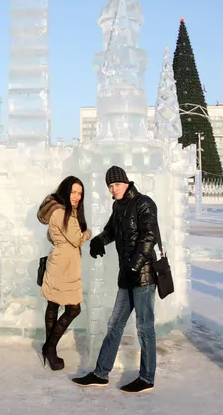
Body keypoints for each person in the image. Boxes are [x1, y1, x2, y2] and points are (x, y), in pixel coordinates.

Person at [72, 166, 158, 393]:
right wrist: (99, 241)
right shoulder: (118, 205)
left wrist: (135, 266)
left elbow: (150, 237)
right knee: (115, 325)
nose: (113, 189)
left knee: (144, 327)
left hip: (143, 276)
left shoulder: (143, 203)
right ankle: (101, 374)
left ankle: (147, 378)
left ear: (127, 183)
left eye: (116, 185)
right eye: (110, 186)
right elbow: (111, 230)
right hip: (126, 276)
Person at [37, 176, 91, 370]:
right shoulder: (62, 213)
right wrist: (88, 233)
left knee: (53, 304)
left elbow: (52, 236)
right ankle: (49, 348)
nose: (76, 197)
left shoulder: (62, 211)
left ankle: (49, 350)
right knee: (73, 308)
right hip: (64, 265)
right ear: (65, 191)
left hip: (61, 261)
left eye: (80, 194)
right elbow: (77, 239)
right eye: (73, 192)